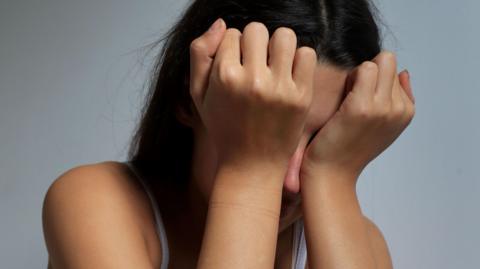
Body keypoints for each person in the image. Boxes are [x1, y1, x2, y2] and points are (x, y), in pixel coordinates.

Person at [42, 0, 415, 268]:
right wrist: (250, 169)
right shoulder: (95, 201)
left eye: (324, 140)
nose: (292, 182)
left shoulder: (361, 243)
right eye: (274, 130)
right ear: (189, 101)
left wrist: (334, 177)